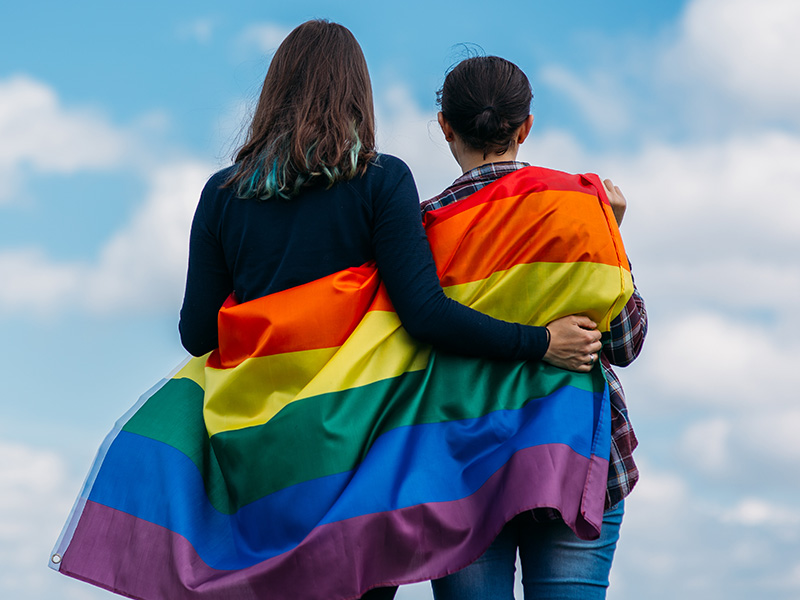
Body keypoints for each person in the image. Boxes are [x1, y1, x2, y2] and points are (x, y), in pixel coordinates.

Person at [177, 22, 606, 600]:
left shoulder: (222, 193)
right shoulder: (380, 180)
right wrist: (539, 343)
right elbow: (425, 315)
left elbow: (197, 332)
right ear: (359, 93)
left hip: (256, 455)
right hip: (359, 451)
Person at [420, 56, 648, 600]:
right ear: (525, 127)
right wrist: (607, 238)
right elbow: (624, 342)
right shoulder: (578, 208)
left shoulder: (421, 228)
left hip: (463, 465)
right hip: (572, 453)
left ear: (445, 126)